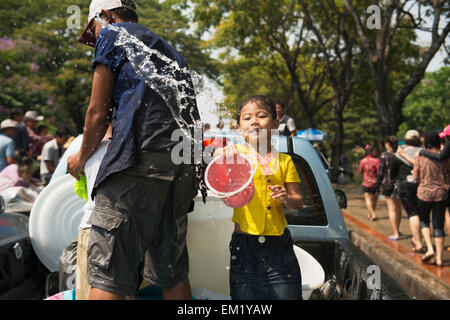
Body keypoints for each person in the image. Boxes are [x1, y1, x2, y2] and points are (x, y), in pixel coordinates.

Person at [67, 0, 200, 300]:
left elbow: (96, 114)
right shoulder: (170, 50)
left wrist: (80, 157)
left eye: (92, 29)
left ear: (106, 15)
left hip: (136, 162)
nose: (94, 39)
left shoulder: (111, 34)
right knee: (172, 270)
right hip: (180, 167)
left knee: (108, 271)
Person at [213, 95, 303, 300]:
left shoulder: (285, 161)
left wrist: (286, 198)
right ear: (238, 128)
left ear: (276, 124)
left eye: (261, 116)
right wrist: (220, 154)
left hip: (278, 248)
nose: (254, 121)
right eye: (247, 118)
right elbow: (218, 164)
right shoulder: (236, 156)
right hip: (243, 246)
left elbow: (297, 203)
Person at [76, 126, 112, 300]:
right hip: (125, 230)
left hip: (94, 230)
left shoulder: (88, 151)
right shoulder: (130, 146)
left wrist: (79, 158)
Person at [412, 131, 450, 267]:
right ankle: (439, 258)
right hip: (441, 193)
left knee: (424, 221)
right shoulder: (444, 156)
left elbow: (415, 176)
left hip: (424, 193)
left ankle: (430, 248)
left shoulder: (421, 156)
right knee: (439, 225)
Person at [391, 129, 423, 253]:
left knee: (413, 214)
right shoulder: (423, 152)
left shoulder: (398, 155)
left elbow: (393, 172)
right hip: (421, 185)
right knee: (421, 214)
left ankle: (418, 242)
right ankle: (419, 239)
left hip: (405, 185)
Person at [375, 136, 403, 240]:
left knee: (392, 208)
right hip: (400, 183)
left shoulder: (385, 155)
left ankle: (395, 233)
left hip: (388, 184)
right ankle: (398, 229)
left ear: (388, 144)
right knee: (399, 208)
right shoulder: (400, 153)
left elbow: (380, 172)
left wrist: (377, 185)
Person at [359, 144, 380, 221]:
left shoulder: (362, 161)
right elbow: (379, 172)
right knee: (375, 199)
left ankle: (372, 214)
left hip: (366, 183)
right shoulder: (377, 161)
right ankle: (371, 214)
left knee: (368, 199)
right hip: (375, 183)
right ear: (371, 152)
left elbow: (360, 171)